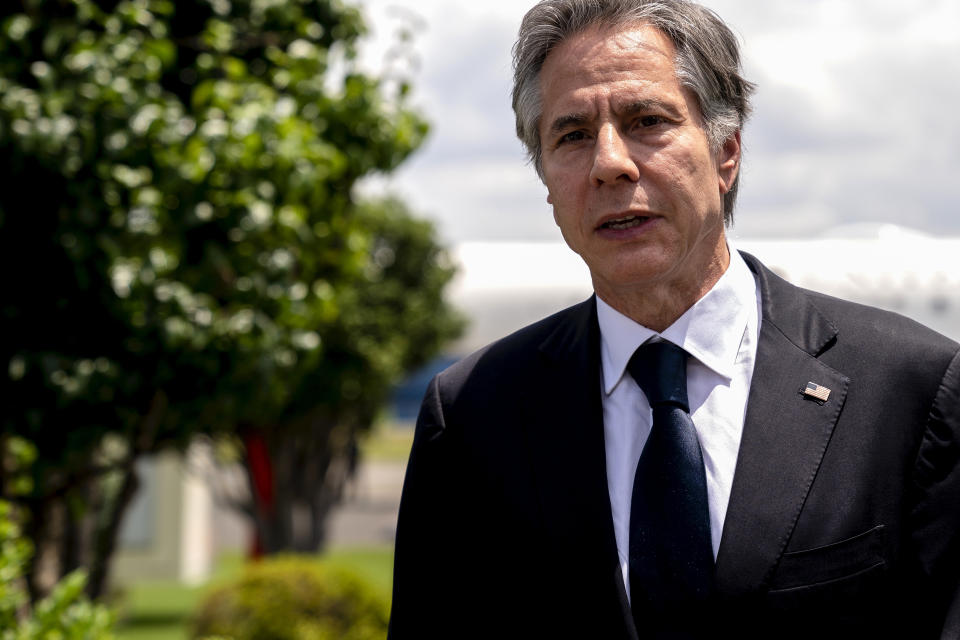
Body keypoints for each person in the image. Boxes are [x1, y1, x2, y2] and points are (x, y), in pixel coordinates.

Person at [388, 1, 960, 638]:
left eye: (646, 120)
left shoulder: (911, 390)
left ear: (727, 153)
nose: (610, 163)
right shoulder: (471, 415)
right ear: (546, 179)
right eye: (572, 135)